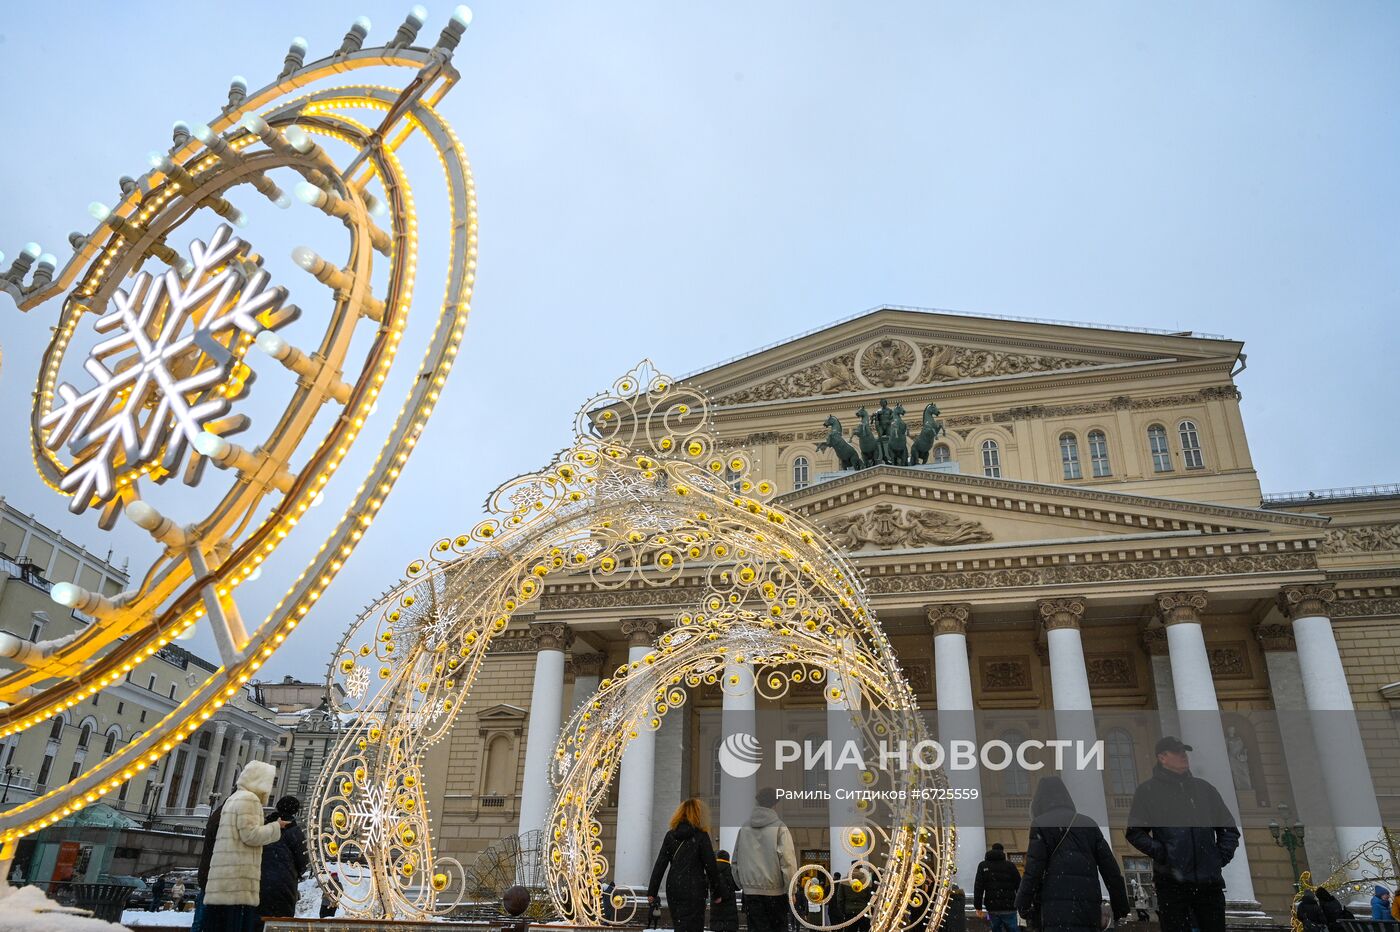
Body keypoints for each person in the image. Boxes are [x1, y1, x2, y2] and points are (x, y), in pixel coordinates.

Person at [1125, 737, 1239, 932]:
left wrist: (1218, 857)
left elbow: (1228, 828)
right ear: (1162, 757)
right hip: (1172, 885)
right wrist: (1164, 853)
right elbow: (1135, 832)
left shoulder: (1204, 789)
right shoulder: (1148, 792)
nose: (1183, 756)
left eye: (1184, 752)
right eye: (1177, 753)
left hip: (1209, 884)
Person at [1015, 776, 1129, 932]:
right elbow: (1111, 870)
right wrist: (1120, 906)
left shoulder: (1041, 824)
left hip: (1055, 907)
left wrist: (1023, 903)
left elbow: (1033, 871)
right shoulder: (1088, 824)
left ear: (1039, 801)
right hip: (1088, 904)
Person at [203, 760, 286, 932]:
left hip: (223, 881)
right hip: (238, 883)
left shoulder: (233, 799)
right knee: (237, 926)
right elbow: (251, 835)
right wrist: (276, 827)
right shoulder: (250, 799)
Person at [647, 797, 721, 932]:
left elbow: (660, 864)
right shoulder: (701, 836)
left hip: (674, 887)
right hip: (696, 888)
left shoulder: (670, 835)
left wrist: (652, 891)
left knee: (679, 924)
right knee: (694, 926)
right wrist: (717, 892)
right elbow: (711, 866)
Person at [733, 787, 798, 932]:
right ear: (775, 804)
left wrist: (742, 883)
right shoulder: (780, 827)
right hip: (775, 892)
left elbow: (736, 860)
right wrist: (791, 890)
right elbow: (788, 862)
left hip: (751, 893)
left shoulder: (744, 828)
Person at [259, 796, 309, 922]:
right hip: (284, 884)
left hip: (259, 881)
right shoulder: (295, 832)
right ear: (295, 811)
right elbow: (303, 860)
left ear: (277, 807)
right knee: (280, 922)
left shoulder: (263, 826)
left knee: (258, 920)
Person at [974, 842, 1022, 932]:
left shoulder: (983, 866)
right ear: (1002, 852)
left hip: (992, 906)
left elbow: (978, 887)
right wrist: (1021, 903)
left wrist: (978, 906)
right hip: (1009, 906)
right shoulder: (1010, 866)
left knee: (995, 928)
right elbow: (1019, 885)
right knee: (1013, 928)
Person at [834, 868, 874, 932]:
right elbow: (870, 898)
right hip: (863, 911)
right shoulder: (867, 881)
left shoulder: (844, 880)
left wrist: (843, 911)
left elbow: (840, 898)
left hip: (849, 911)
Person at [712, 849, 740, 932]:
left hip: (716, 907)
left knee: (717, 927)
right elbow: (737, 886)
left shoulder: (712, 870)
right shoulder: (731, 870)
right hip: (730, 908)